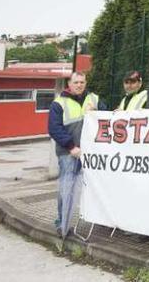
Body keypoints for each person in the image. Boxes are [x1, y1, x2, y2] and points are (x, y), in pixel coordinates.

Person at [48, 72, 104, 237]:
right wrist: (71, 147)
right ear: (69, 84)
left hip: (90, 153)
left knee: (91, 187)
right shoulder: (59, 103)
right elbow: (54, 128)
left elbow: (108, 115)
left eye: (82, 82)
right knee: (67, 189)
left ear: (86, 83)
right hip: (68, 153)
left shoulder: (94, 99)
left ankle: (92, 219)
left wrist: (97, 110)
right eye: (76, 82)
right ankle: (62, 223)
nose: (79, 85)